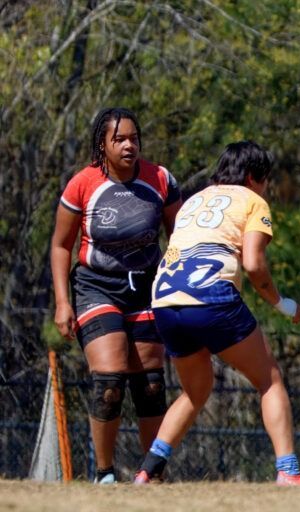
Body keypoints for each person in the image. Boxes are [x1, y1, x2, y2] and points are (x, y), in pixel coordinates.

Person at [133, 140, 300, 486]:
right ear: (253, 176)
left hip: (165, 300)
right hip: (210, 294)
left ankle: (148, 470)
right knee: (269, 380)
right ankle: (289, 471)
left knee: (194, 391)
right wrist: (282, 303)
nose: (266, 187)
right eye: (266, 179)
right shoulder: (253, 200)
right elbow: (253, 264)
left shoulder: (193, 201)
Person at [50, 107, 182, 483]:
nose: (129, 145)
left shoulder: (160, 179)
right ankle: (104, 474)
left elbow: (180, 236)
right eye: (119, 139)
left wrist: (178, 282)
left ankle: (150, 476)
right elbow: (61, 245)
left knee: (152, 386)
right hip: (96, 286)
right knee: (109, 380)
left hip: (147, 288)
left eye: (134, 138)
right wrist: (62, 302)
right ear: (102, 145)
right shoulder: (83, 183)